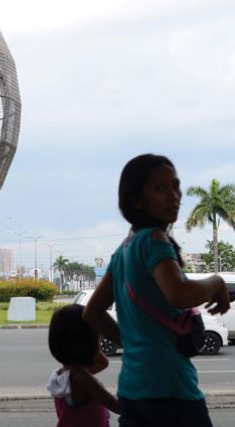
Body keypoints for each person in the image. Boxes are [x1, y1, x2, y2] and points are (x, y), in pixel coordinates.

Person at [83, 154, 230, 427]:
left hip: (132, 389)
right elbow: (180, 294)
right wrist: (217, 281)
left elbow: (92, 313)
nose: (174, 195)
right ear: (137, 200)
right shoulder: (154, 240)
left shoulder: (123, 250)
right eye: (161, 188)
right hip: (170, 390)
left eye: (176, 186)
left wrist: (134, 344)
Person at [46, 304, 118, 426]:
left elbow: (103, 363)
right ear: (87, 340)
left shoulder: (62, 376)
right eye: (97, 335)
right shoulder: (82, 379)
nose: (101, 337)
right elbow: (117, 406)